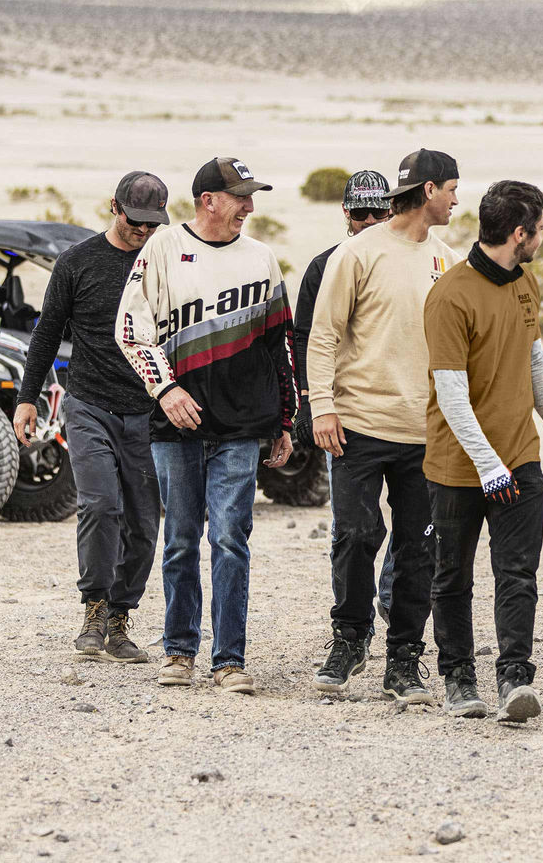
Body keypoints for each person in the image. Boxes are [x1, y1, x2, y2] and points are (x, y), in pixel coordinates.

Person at [116, 157, 296, 695]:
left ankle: (230, 661)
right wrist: (164, 388)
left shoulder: (262, 259)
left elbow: (278, 344)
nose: (249, 206)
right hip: (176, 426)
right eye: (240, 196)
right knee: (179, 542)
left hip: (240, 428)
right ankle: (178, 651)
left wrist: (284, 418)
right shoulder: (163, 248)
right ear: (208, 200)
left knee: (231, 541)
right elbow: (130, 329)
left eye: (251, 197)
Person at [424, 179, 543, 723]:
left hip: (520, 456)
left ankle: (515, 678)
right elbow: (450, 394)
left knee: (518, 574)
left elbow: (534, 361)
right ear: (520, 232)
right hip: (457, 466)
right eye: (539, 229)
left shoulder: (525, 283)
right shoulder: (451, 294)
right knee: (452, 577)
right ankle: (458, 678)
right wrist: (487, 466)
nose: (542, 239)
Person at [307, 150, 462, 702]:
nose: (455, 199)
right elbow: (322, 334)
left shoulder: (448, 260)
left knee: (420, 547)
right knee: (355, 534)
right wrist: (322, 407)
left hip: (426, 433)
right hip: (358, 424)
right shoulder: (356, 254)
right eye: (450, 188)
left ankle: (403, 660)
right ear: (426, 191)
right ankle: (348, 638)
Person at [13, 171, 169, 664]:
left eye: (152, 224)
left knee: (144, 523)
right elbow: (45, 334)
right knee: (101, 505)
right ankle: (94, 608)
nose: (143, 231)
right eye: (135, 221)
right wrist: (26, 398)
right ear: (114, 207)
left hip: (148, 410)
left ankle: (121, 618)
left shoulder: (165, 264)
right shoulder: (76, 262)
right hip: (89, 405)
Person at [291, 169, 401, 625]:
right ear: (345, 213)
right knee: (353, 527)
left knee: (416, 523)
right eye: (361, 213)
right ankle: (351, 622)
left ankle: (393, 601)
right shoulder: (325, 266)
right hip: (346, 413)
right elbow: (304, 337)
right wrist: (310, 401)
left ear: (392, 210)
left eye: (379, 212)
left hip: (407, 408)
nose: (370, 221)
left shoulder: (412, 260)